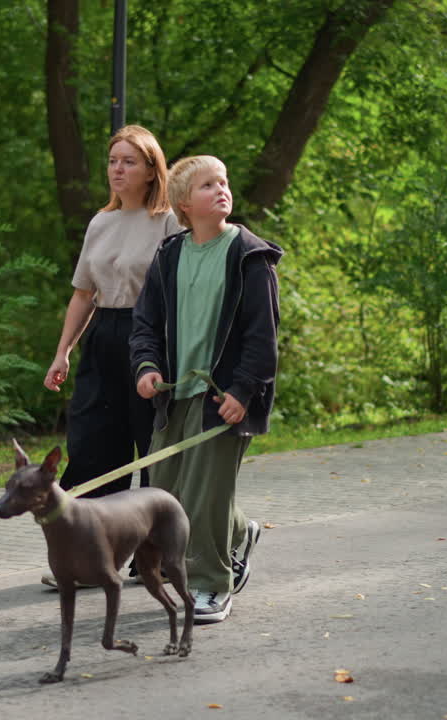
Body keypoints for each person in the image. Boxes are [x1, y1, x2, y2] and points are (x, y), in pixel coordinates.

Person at [130, 155, 283, 624]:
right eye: (206, 186)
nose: (221, 190)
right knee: (165, 494)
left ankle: (211, 585)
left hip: (223, 398)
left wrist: (243, 390)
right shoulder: (169, 255)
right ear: (182, 203)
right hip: (171, 397)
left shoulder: (249, 257)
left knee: (203, 495)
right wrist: (146, 367)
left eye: (223, 182)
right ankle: (238, 531)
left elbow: (263, 335)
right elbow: (145, 324)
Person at [41, 125, 183, 587]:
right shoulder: (100, 223)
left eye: (129, 162)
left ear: (150, 171)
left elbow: (182, 290)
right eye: (113, 161)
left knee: (153, 445)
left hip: (151, 339)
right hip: (104, 338)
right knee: (92, 444)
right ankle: (92, 558)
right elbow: (85, 294)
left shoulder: (167, 221)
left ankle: (158, 557)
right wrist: (63, 351)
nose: (117, 170)